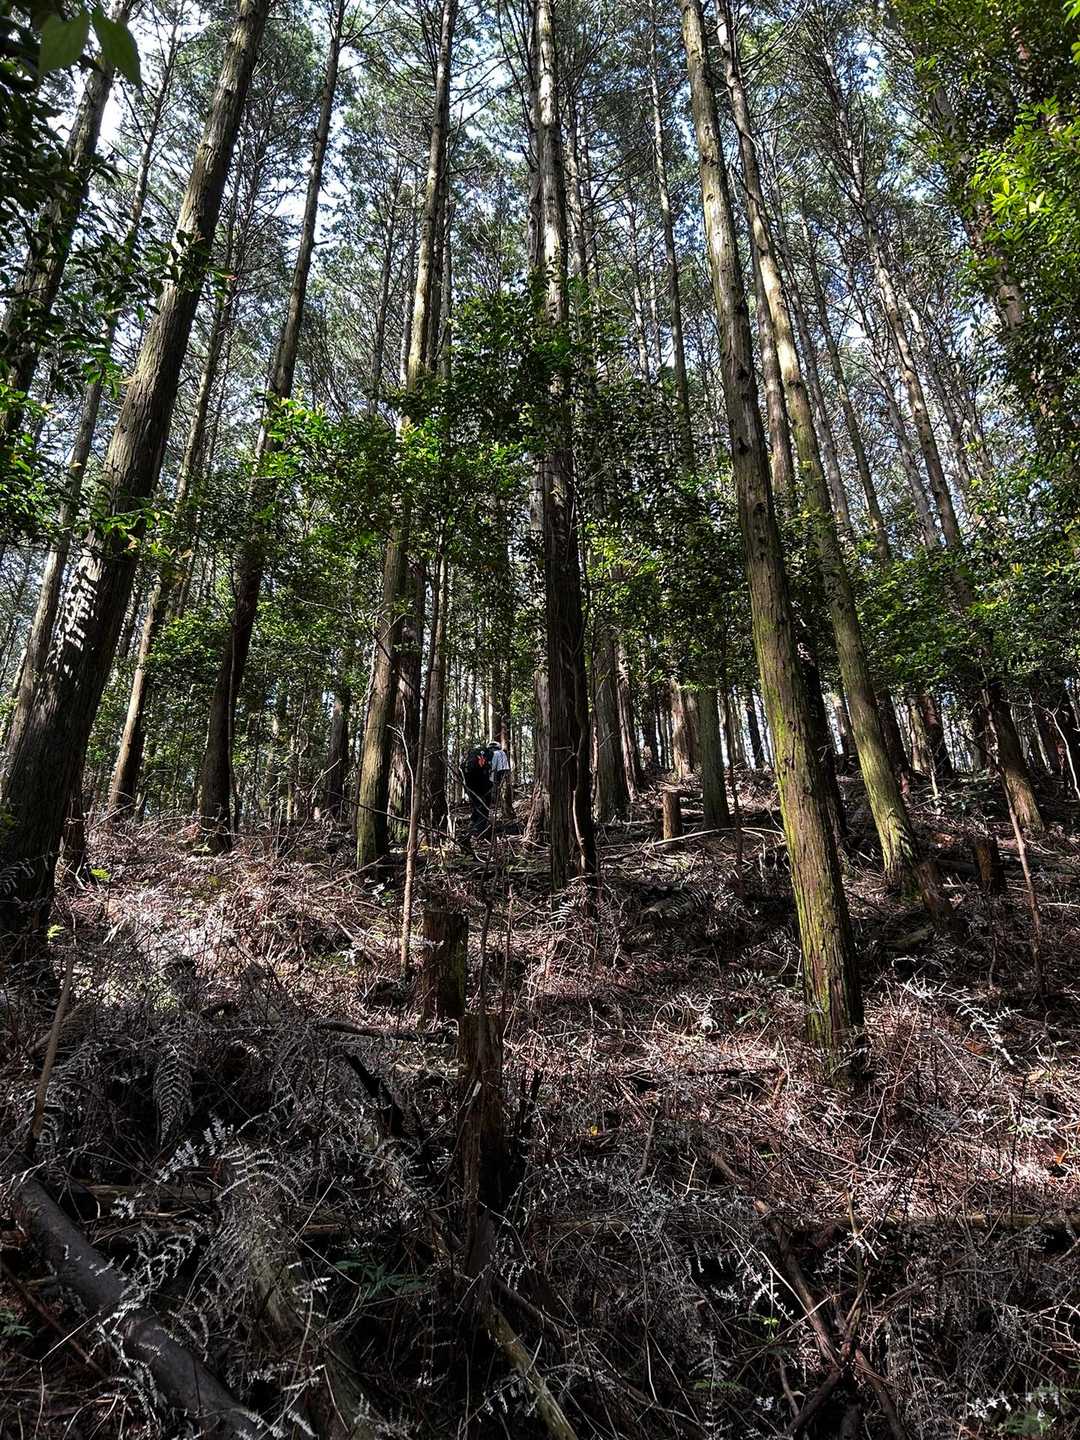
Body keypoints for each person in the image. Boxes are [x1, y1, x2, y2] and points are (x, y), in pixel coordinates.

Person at [461, 738, 510, 837]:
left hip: (468, 780)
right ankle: (477, 832)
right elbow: (503, 771)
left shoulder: (479, 754)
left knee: (477, 804)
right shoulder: (500, 753)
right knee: (484, 807)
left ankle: (472, 824)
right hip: (484, 781)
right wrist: (497, 785)